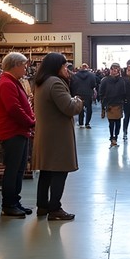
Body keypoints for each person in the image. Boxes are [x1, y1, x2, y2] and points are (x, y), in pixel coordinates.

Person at [31, 53, 84, 220]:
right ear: (56, 67)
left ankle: (42, 205)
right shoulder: (55, 83)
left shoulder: (41, 82)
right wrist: (78, 101)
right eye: (64, 66)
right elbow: (69, 108)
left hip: (47, 133)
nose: (67, 70)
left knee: (46, 171)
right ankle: (55, 208)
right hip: (57, 136)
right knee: (60, 171)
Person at [0, 52, 35, 218]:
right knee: (13, 170)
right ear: (16, 65)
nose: (26, 68)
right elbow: (13, 109)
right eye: (24, 65)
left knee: (18, 169)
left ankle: (15, 202)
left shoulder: (12, 82)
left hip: (19, 130)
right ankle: (9, 204)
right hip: (13, 132)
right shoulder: (6, 83)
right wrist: (31, 122)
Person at [98, 63, 126, 146]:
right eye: (113, 69)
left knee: (117, 122)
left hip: (117, 104)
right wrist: (103, 104)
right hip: (110, 104)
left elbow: (124, 92)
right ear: (110, 70)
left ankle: (115, 137)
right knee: (112, 123)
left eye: (116, 69)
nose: (115, 71)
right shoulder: (105, 80)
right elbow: (101, 92)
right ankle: (112, 137)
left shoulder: (121, 80)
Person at [70, 63, 99, 128]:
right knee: (89, 108)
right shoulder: (92, 75)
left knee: (80, 108)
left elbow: (73, 85)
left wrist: (74, 93)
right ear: (87, 67)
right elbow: (93, 85)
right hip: (88, 93)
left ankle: (81, 123)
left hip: (79, 93)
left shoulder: (75, 75)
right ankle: (87, 123)